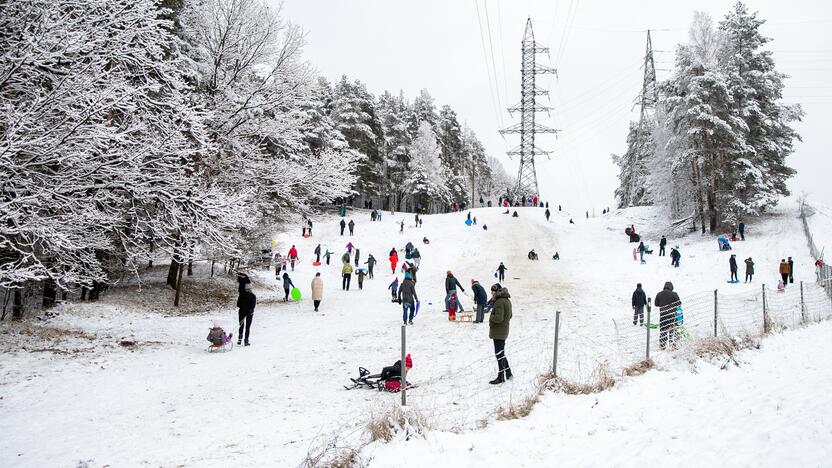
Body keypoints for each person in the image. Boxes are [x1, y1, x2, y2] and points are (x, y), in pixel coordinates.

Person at [489, 283, 513, 384]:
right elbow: (510, 315)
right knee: (501, 353)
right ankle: (508, 373)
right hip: (504, 330)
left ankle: (501, 377)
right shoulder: (507, 300)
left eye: (492, 292)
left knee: (499, 354)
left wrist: (491, 316)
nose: (491, 294)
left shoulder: (499, 302)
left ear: (496, 292)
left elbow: (499, 318)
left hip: (499, 331)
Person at [654, 281, 681, 350]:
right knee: (672, 329)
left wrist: (662, 303)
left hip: (663, 315)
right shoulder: (674, 294)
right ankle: (672, 344)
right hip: (672, 315)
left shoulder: (659, 294)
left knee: (663, 330)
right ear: (671, 287)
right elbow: (679, 303)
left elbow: (656, 304)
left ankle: (662, 345)